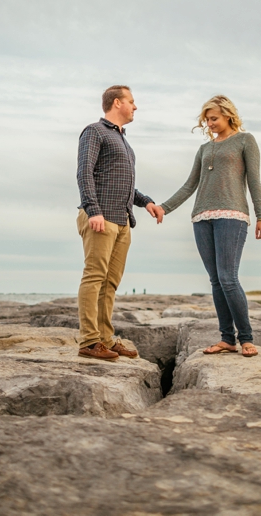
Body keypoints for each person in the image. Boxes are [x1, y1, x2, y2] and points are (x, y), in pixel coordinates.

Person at [159, 95, 261, 358]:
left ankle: (247, 338)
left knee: (228, 278)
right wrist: (164, 208)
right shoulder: (204, 149)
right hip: (201, 218)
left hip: (232, 216)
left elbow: (254, 180)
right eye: (207, 119)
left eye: (214, 118)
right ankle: (227, 339)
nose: (210, 123)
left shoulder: (245, 141)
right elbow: (189, 185)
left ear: (228, 115)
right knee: (216, 281)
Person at [76, 85, 165, 361]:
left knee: (110, 283)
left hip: (122, 221)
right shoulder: (95, 131)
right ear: (117, 103)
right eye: (132, 101)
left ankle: (105, 338)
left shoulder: (125, 142)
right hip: (100, 218)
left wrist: (147, 201)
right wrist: (93, 211)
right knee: (94, 278)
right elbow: (84, 173)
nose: (135, 106)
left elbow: (125, 186)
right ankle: (89, 341)